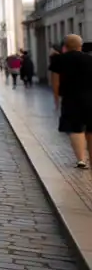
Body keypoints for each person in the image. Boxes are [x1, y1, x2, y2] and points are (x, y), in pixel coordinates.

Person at [49, 34, 92, 169]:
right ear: (80, 46)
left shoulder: (59, 60)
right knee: (90, 129)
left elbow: (55, 82)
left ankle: (81, 159)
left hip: (71, 98)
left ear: (65, 46)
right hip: (90, 98)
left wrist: (56, 99)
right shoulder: (89, 59)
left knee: (75, 129)